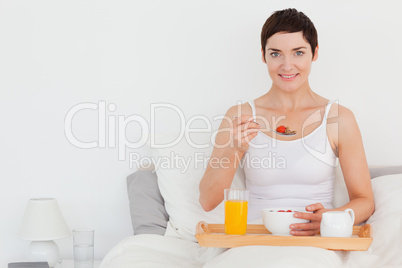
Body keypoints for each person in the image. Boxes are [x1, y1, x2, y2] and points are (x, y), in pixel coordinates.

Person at [199, 8, 374, 236]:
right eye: (276, 54)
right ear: (263, 55)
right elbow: (207, 201)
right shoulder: (240, 115)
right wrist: (234, 148)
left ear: (315, 52)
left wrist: (333, 217)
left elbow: (365, 201)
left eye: (298, 53)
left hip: (316, 241)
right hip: (255, 238)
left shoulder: (339, 118)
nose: (287, 65)